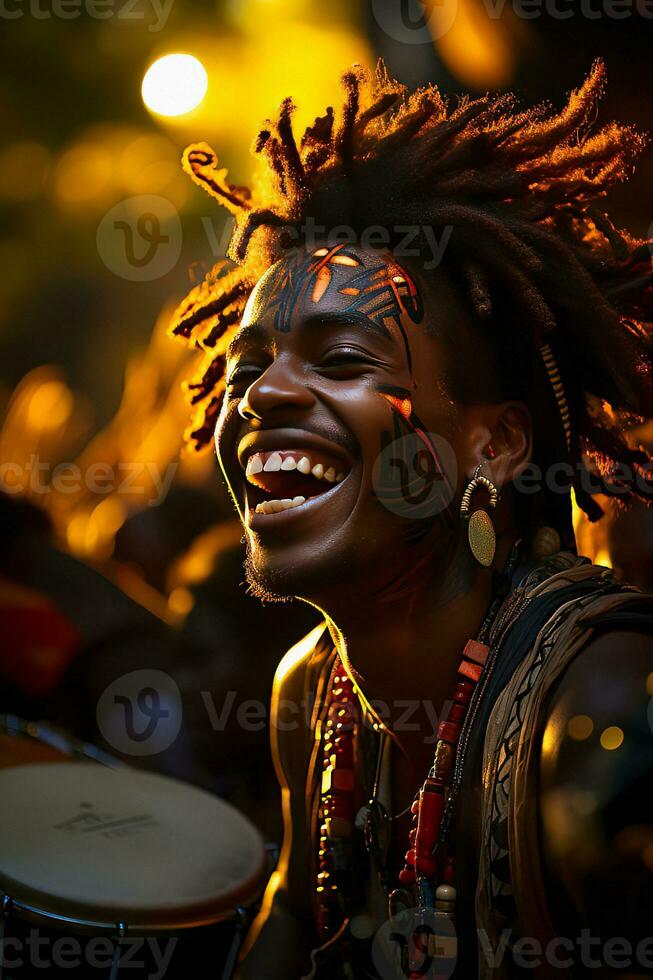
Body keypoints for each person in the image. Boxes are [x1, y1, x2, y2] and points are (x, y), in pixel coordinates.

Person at [169, 60, 653, 979]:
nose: (265, 393)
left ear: (496, 446)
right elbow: (293, 916)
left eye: (342, 358)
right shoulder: (308, 696)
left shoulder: (602, 709)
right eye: (250, 368)